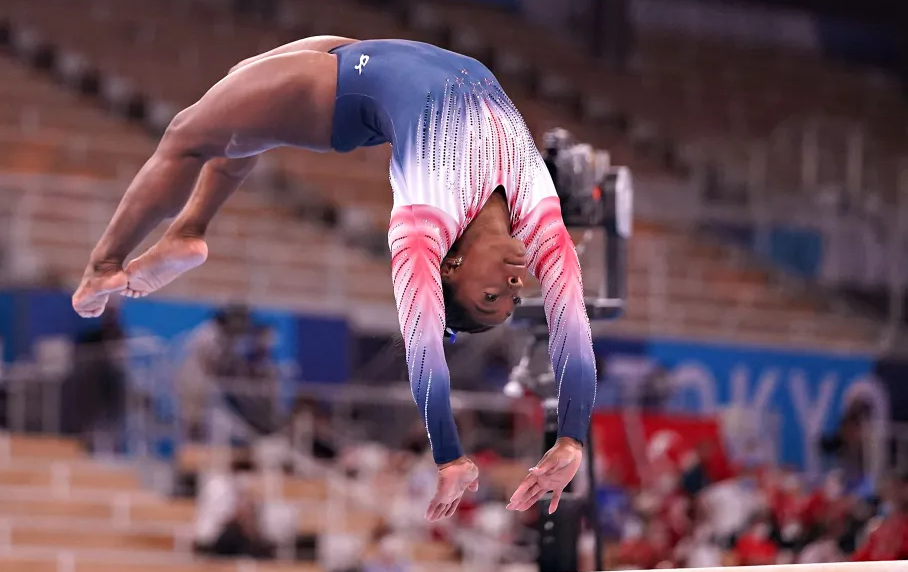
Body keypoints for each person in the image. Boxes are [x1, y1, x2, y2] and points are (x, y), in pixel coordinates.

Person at [68, 36, 596, 522]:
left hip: (348, 91)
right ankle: (187, 229)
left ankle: (104, 265)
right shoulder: (542, 220)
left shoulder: (423, 224)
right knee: (241, 86)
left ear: (449, 269)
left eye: (490, 298)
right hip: (371, 55)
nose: (513, 285)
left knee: (187, 132)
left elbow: (425, 345)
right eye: (512, 297)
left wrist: (449, 453)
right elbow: (572, 336)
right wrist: (571, 440)